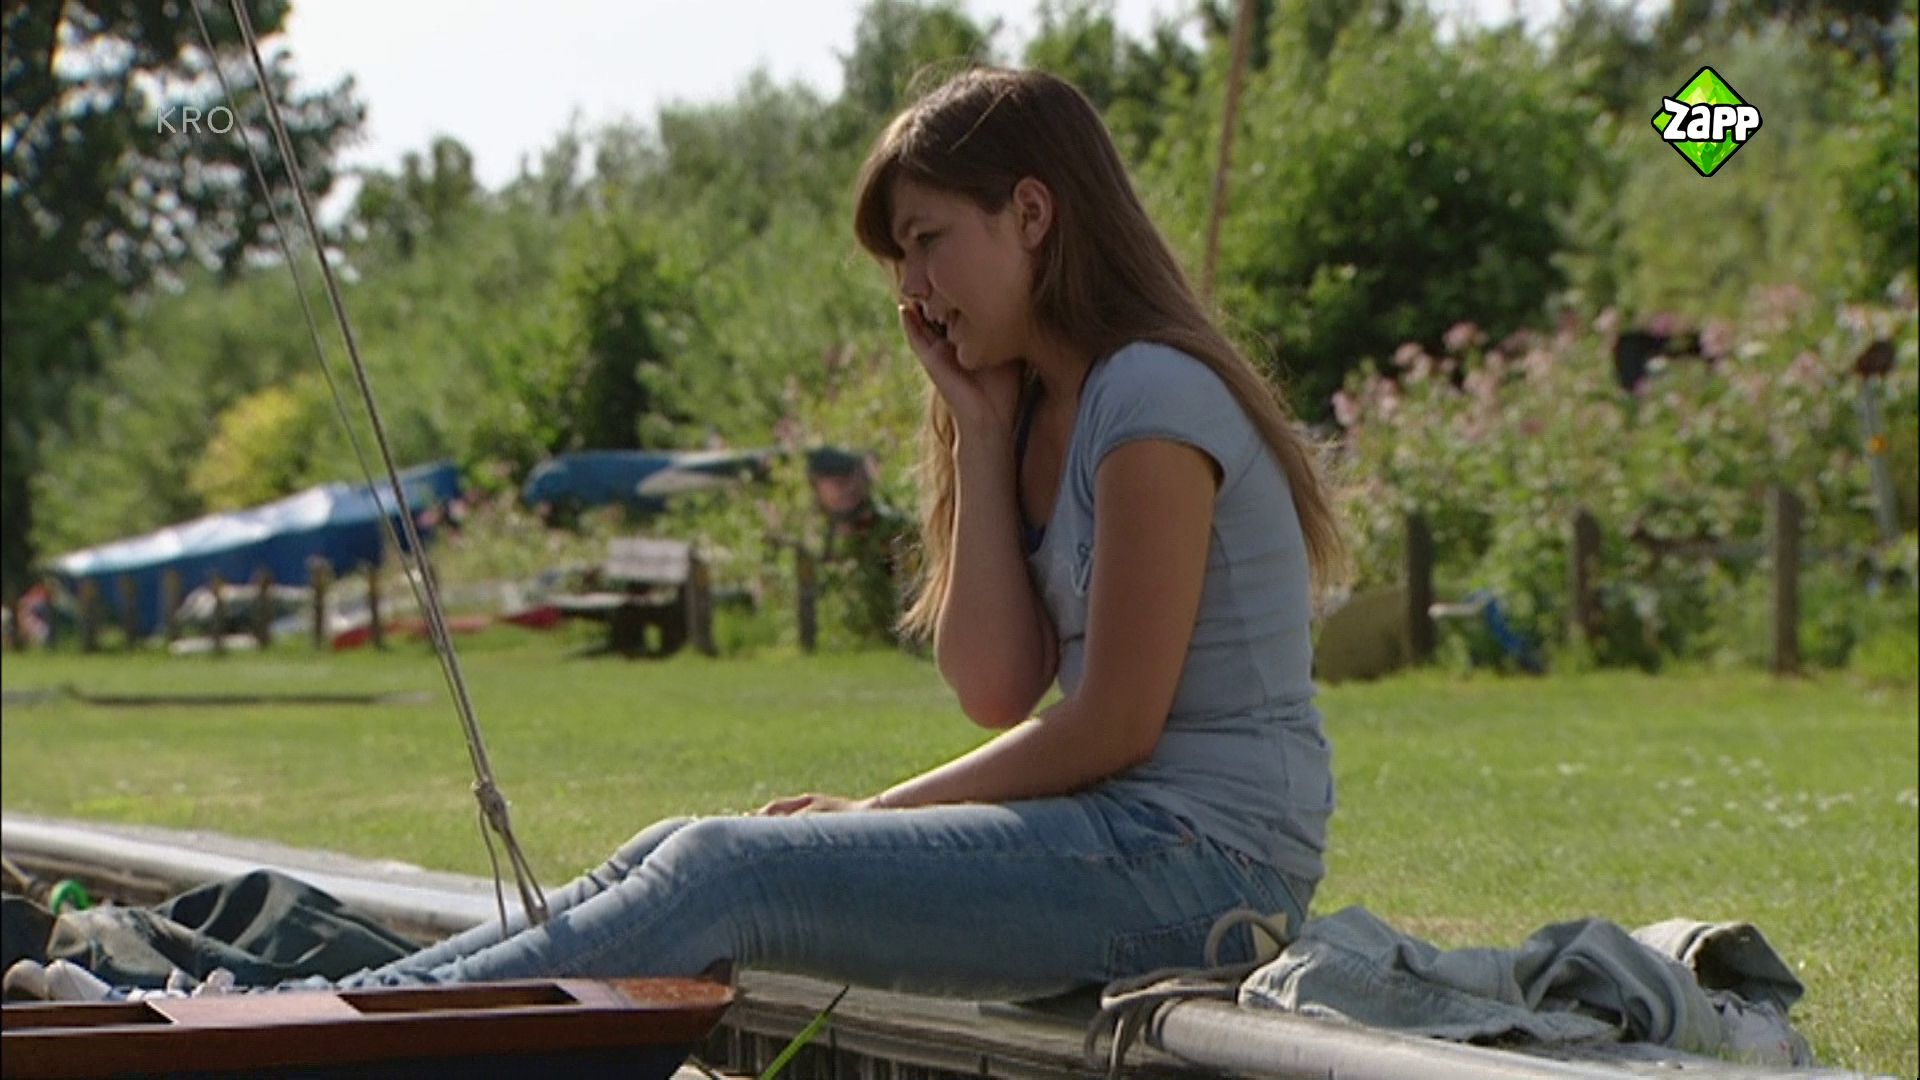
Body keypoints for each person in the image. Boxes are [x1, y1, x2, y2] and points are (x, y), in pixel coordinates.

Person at [19, 66, 1347, 1004]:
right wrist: (979, 430)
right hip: (1127, 848)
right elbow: (998, 685)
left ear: (1034, 215)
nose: (914, 291)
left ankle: (286, 1029)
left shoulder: (1150, 398)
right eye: (900, 261)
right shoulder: (1041, 408)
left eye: (929, 241)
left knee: (725, 868)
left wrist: (870, 818)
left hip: (1206, 870)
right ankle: (275, 1016)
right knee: (675, 846)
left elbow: (1113, 723)